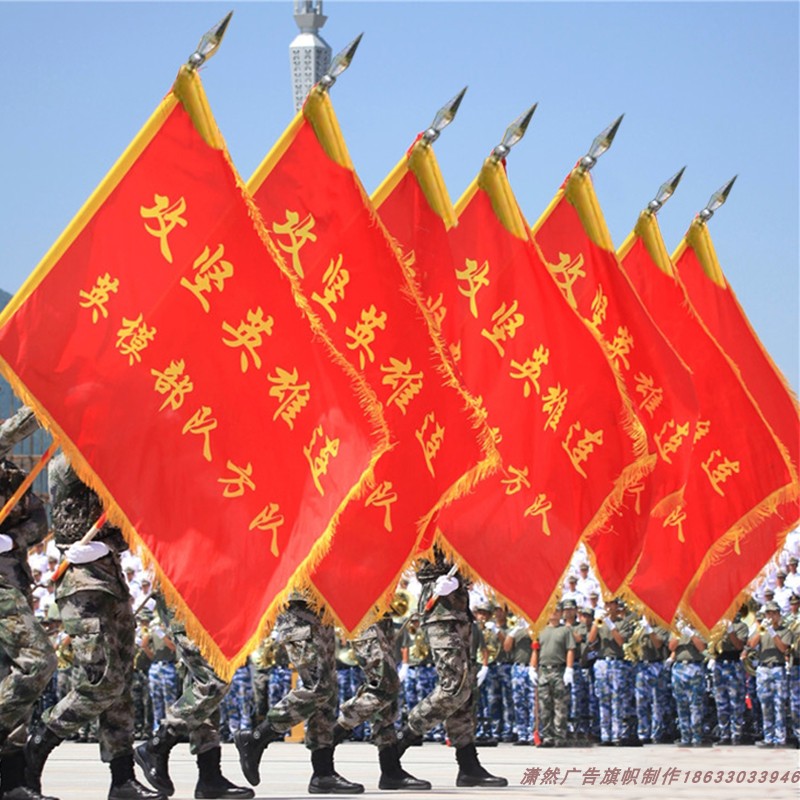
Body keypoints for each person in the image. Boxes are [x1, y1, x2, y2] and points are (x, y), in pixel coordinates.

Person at [26, 453, 163, 800]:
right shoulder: (69, 463)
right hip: (82, 587)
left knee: (120, 688)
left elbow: (128, 526)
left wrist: (110, 543)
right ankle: (40, 740)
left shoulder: (113, 470)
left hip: (113, 584)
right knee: (102, 683)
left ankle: (122, 780)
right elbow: (66, 504)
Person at [395, 550, 507, 788]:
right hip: (439, 610)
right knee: (453, 687)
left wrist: (462, 578)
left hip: (459, 610)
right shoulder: (432, 519)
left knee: (464, 691)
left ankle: (468, 765)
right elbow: (420, 555)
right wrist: (432, 579)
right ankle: (398, 744)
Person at [234, 592, 363, 794]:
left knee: (327, 696)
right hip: (300, 614)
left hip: (321, 613)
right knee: (318, 689)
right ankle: (258, 736)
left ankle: (323, 773)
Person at [134, 589, 253, 799]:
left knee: (203, 694)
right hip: (186, 604)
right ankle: (158, 744)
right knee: (214, 681)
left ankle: (209, 777)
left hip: (206, 608)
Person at [0, 406, 59, 800]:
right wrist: (45, 403)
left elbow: (40, 520)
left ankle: (12, 782)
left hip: (13, 580)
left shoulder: (13, 477)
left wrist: (14, 539)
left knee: (10, 676)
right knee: (38, 660)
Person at [331, 605, 431, 791]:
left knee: (386, 703)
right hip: (364, 614)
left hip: (381, 616)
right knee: (385, 687)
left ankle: (390, 770)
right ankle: (331, 736)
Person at [748, 601, 792, 748]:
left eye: (773, 613)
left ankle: (780, 738)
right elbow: (751, 645)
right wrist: (762, 629)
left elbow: (783, 648)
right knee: (765, 704)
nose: (770, 616)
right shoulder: (762, 630)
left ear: (779, 615)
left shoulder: (785, 631)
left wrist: (773, 633)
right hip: (763, 669)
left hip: (777, 668)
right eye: (768, 613)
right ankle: (768, 737)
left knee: (779, 704)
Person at [530, 605, 574, 748]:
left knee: (560, 705)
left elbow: (570, 650)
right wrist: (532, 668)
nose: (553, 614)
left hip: (558, 670)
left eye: (556, 611)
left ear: (561, 613)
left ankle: (559, 736)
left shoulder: (565, 630)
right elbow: (535, 651)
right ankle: (547, 736)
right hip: (543, 671)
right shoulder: (540, 630)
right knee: (544, 706)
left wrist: (569, 669)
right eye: (551, 612)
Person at [709, 609, 748, 745]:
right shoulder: (717, 626)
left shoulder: (740, 626)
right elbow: (711, 645)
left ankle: (736, 734)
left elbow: (739, 646)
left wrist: (730, 629)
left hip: (733, 664)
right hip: (719, 664)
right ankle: (724, 734)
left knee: (736, 701)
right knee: (721, 701)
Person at [668, 621, 708, 747]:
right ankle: (685, 737)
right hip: (680, 667)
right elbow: (671, 647)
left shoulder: (701, 628)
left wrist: (691, 634)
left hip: (694, 666)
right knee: (681, 704)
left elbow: (702, 648)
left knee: (696, 704)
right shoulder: (676, 630)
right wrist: (679, 633)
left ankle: (697, 736)